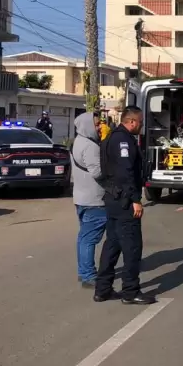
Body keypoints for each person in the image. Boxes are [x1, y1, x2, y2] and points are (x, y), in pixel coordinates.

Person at [95, 106, 157, 305]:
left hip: (113, 199)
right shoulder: (123, 141)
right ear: (132, 122)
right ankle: (130, 291)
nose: (141, 126)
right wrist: (136, 200)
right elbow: (125, 173)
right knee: (132, 248)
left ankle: (102, 289)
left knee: (112, 245)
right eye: (140, 122)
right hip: (124, 202)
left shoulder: (112, 137)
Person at [71, 113, 107, 288]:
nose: (100, 127)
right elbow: (96, 172)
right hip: (94, 199)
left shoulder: (78, 141)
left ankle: (83, 271)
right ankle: (88, 275)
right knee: (90, 238)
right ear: (87, 125)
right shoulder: (90, 146)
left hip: (81, 197)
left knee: (83, 237)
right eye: (97, 124)